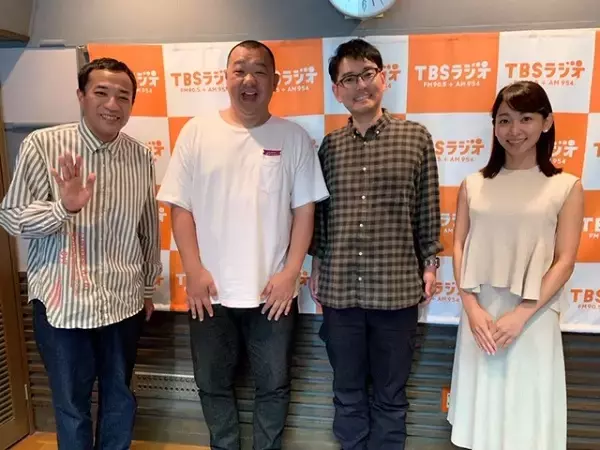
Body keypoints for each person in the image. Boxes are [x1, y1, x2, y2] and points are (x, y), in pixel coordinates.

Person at [156, 40, 329, 450]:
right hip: (209, 292)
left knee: (274, 385)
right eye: (239, 70)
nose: (248, 80)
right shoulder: (197, 132)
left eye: (259, 71)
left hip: (273, 292)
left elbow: (305, 211)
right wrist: (193, 270)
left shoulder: (293, 137)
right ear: (226, 78)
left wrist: (291, 272)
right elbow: (180, 207)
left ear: (275, 81)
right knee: (212, 383)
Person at [0, 58, 161, 449]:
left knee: (119, 397)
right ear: (81, 96)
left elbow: (147, 229)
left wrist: (145, 290)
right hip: (63, 304)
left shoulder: (140, 156)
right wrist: (63, 208)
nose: (112, 104)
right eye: (101, 92)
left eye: (123, 96)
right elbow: (12, 217)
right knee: (71, 405)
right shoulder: (44, 145)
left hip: (122, 302)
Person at [309, 38, 443, 450]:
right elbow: (322, 217)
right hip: (340, 293)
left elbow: (428, 207)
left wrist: (430, 263)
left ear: (383, 78)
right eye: (349, 79)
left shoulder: (415, 138)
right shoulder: (330, 147)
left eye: (367, 74)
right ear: (337, 91)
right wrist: (316, 268)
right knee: (347, 392)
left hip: (396, 291)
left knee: (390, 395)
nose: (360, 85)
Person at [447, 80, 583, 450]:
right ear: (494, 126)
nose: (514, 130)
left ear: (546, 122)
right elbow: (458, 246)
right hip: (481, 315)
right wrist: (471, 307)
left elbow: (565, 260)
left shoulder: (565, 186)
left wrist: (522, 313)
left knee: (527, 417)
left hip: (533, 317)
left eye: (526, 118)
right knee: (481, 416)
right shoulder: (473, 184)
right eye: (504, 120)